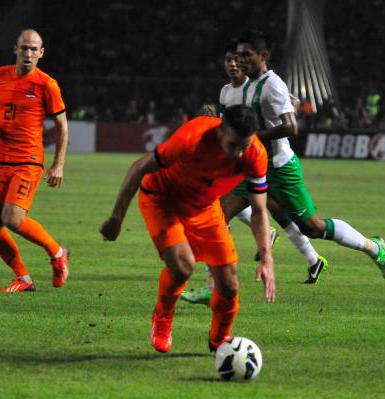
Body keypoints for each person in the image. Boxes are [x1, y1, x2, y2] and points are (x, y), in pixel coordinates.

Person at [100, 105, 275, 353]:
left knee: (229, 285)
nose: (238, 154)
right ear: (221, 131)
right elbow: (139, 167)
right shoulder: (192, 139)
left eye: (244, 146)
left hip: (204, 207)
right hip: (163, 199)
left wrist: (266, 258)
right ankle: (162, 318)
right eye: (233, 145)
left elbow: (258, 210)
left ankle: (220, 340)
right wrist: (116, 219)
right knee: (183, 266)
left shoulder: (255, 154)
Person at [225, 29, 385, 281]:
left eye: (246, 55)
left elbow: (292, 127)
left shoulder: (272, 84)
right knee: (219, 214)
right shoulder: (247, 86)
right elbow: (274, 108)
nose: (240, 60)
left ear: (263, 56)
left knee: (313, 227)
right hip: (254, 166)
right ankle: (216, 282)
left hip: (280, 169)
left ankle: (374, 248)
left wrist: (254, 137)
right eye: (238, 55)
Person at [182, 40, 327, 306]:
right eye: (229, 60)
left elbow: (289, 106)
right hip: (243, 160)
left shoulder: (262, 85)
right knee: (221, 213)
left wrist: (283, 113)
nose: (233, 64)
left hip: (271, 162)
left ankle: (324, 256)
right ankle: (212, 285)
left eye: (238, 59)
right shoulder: (227, 92)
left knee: (294, 219)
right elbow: (232, 124)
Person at [0, 29, 69, 292]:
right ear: (15, 49)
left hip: (28, 160)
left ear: (41, 53)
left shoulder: (47, 85)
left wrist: (58, 164)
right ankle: (23, 277)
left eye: (34, 49)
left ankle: (57, 253)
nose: (29, 54)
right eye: (24, 48)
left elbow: (61, 125)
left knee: (12, 217)